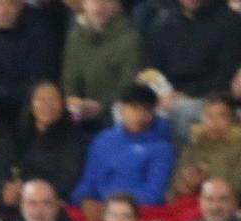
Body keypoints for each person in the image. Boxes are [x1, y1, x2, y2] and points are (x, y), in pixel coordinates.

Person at [71, 84, 176, 221]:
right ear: (122, 109)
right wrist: (85, 200)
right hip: (98, 211)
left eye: (147, 110)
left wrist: (113, 208)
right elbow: (89, 179)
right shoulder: (103, 140)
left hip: (137, 213)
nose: (141, 115)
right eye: (135, 108)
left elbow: (154, 194)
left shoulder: (161, 148)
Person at [145, 0, 241, 134]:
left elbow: (226, 74)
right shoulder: (165, 22)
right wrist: (159, 92)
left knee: (183, 110)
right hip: (168, 94)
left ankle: (185, 155)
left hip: (209, 98)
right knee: (128, 107)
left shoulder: (229, 22)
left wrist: (186, 94)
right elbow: (153, 67)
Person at [10, 79, 91, 209]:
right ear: (31, 103)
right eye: (41, 99)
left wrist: (28, 189)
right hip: (18, 202)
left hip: (54, 202)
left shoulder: (75, 138)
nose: (48, 105)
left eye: (54, 99)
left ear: (63, 104)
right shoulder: (19, 134)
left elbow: (67, 180)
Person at [61, 0, 139, 124]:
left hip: (114, 113)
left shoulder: (130, 38)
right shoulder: (75, 37)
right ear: (84, 4)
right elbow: (69, 82)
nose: (99, 5)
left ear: (116, 4)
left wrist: (102, 105)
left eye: (106, 1)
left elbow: (129, 84)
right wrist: (76, 103)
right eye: (94, 1)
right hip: (80, 112)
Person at [173, 97, 241, 202]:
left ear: (233, 120)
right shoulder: (193, 146)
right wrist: (184, 186)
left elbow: (236, 193)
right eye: (209, 116)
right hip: (186, 206)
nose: (214, 123)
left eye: (222, 116)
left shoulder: (237, 149)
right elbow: (172, 190)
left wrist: (203, 180)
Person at [0, 177, 84, 221]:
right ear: (21, 207)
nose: (39, 211)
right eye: (32, 203)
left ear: (57, 207)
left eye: (46, 203)